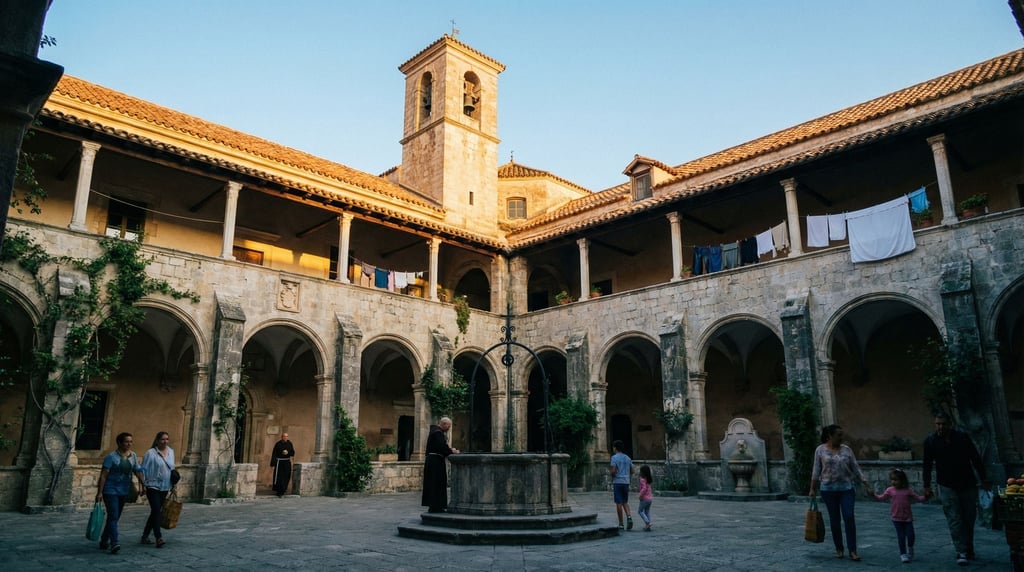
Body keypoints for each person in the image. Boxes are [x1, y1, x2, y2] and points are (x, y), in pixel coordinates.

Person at [922, 412, 990, 566]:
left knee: (969, 517)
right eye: (938, 424)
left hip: (967, 483)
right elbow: (927, 464)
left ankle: (969, 547)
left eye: (943, 424)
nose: (940, 427)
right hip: (947, 485)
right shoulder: (931, 441)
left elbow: (975, 458)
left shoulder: (962, 438)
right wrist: (926, 485)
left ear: (950, 424)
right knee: (954, 518)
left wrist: (983, 478)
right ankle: (961, 550)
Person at [809, 424, 870, 561]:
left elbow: (856, 467)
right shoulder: (820, 450)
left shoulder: (847, 450)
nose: (842, 437)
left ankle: (853, 550)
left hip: (846, 489)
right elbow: (816, 470)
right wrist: (812, 488)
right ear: (829, 436)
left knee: (849, 517)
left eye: (842, 434)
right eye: (839, 435)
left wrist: (866, 483)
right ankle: (839, 549)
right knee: (835, 520)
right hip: (828, 490)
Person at [95, 432, 145, 555]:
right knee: (113, 515)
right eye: (126, 441)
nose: (129, 444)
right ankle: (114, 542)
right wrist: (100, 492)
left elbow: (137, 471)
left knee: (115, 517)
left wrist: (143, 484)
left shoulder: (133, 456)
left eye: (130, 441)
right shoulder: (111, 457)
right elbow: (103, 476)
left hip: (124, 490)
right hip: (110, 490)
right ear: (119, 443)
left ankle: (104, 540)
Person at [873, 468, 927, 563]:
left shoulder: (908, 491)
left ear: (902, 480)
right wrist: (873, 495)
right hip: (896, 518)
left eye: (896, 480)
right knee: (901, 537)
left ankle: (910, 548)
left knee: (911, 536)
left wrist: (926, 497)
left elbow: (919, 498)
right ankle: (903, 554)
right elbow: (881, 498)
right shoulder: (890, 490)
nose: (893, 482)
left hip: (907, 518)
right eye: (892, 480)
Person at [140, 431, 175, 548]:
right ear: (157, 440)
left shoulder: (171, 452)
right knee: (156, 511)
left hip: (165, 486)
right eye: (162, 439)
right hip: (152, 485)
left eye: (167, 439)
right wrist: (142, 485)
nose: (165, 441)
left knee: (155, 511)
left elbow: (172, 468)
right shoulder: (150, 453)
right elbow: (143, 470)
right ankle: (158, 537)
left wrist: (173, 483)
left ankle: (144, 536)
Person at [421, 417, 459, 513]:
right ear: (444, 424)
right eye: (448, 426)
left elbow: (440, 446)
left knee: (434, 484)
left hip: (433, 461)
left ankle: (434, 506)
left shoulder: (435, 431)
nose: (449, 428)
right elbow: (441, 447)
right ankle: (436, 506)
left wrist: (449, 450)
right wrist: (452, 451)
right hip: (435, 462)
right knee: (437, 483)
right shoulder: (438, 433)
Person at [609, 440, 634, 530]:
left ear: (615, 448)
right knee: (625, 502)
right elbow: (632, 471)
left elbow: (614, 471)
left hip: (618, 482)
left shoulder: (614, 458)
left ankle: (621, 523)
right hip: (626, 482)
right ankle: (629, 516)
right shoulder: (627, 458)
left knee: (618, 502)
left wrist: (611, 474)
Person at [271, 433, 295, 497]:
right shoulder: (278, 444)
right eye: (284, 436)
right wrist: (273, 463)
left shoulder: (289, 444)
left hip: (287, 462)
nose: (285, 438)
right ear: (282, 437)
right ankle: (279, 490)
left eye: (286, 436)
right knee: (280, 477)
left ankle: (284, 489)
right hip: (279, 462)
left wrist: (288, 452)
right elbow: (274, 453)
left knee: (286, 476)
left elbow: (292, 452)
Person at [637, 464, 654, 532]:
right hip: (650, 499)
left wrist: (640, 495)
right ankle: (647, 526)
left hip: (644, 498)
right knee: (647, 512)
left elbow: (644, 489)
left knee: (640, 511)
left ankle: (647, 522)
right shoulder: (648, 479)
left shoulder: (642, 479)